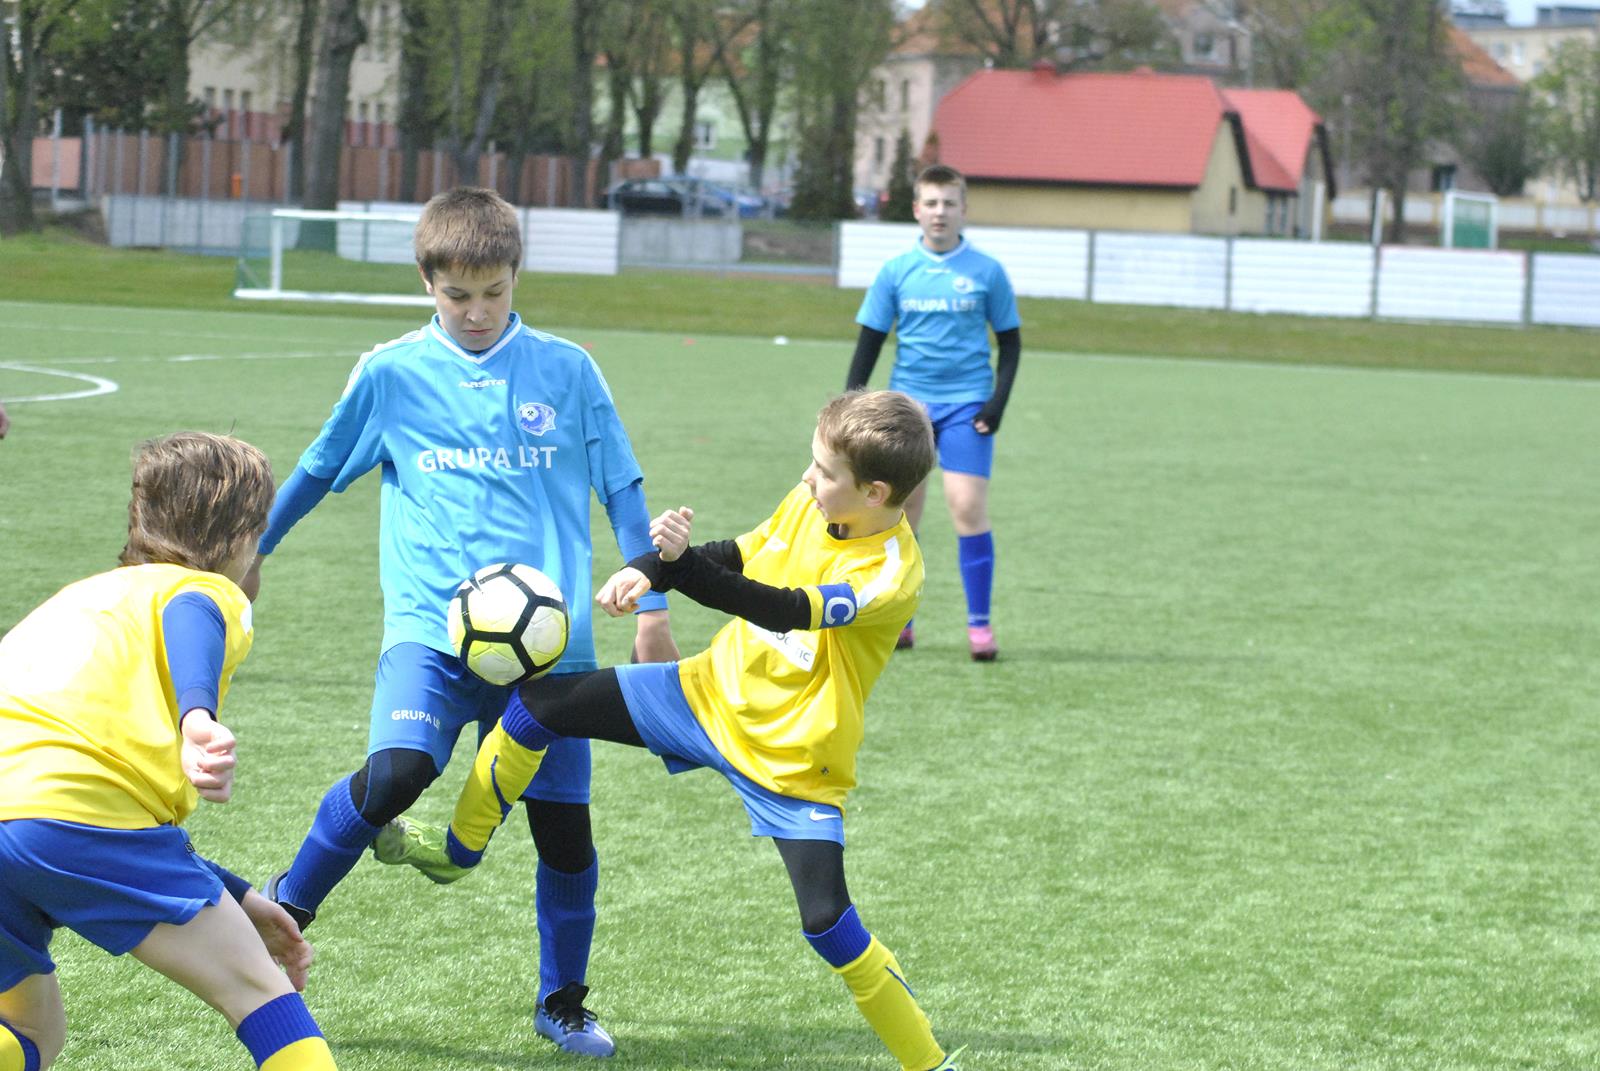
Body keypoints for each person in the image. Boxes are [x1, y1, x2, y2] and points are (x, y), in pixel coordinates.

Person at [377, 390, 966, 1071]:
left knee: (827, 922)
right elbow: (739, 555)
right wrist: (646, 567)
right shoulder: (809, 502)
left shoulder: (892, 573)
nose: (808, 478)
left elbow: (782, 608)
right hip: (702, 692)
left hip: (792, 760)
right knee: (537, 706)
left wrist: (681, 569)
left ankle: (931, 1062)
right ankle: (458, 849)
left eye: (824, 472)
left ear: (876, 491)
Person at [257, 186, 676, 1058]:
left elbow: (624, 488)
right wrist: (249, 553)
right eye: (459, 295)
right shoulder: (390, 374)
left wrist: (653, 598)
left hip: (550, 647)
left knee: (563, 828)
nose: (478, 311)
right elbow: (315, 470)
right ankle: (284, 909)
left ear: (516, 275)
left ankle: (563, 1000)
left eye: (495, 291)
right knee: (399, 771)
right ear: (427, 282)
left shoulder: (567, 371)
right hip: (431, 629)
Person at [0, 431, 335, 1071]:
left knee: (30, 1030)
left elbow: (51, 792)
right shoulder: (200, 591)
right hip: (77, 817)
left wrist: (234, 894)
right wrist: (198, 718)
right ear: (242, 537)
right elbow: (192, 617)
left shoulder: (78, 598)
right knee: (261, 995)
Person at [847, 163, 1021, 662]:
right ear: (917, 210)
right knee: (902, 514)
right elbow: (869, 343)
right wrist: (853, 405)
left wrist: (996, 404)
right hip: (908, 408)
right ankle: (901, 619)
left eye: (949, 203)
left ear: (963, 209)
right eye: (931, 203)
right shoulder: (896, 270)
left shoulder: (986, 271)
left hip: (968, 406)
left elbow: (1010, 344)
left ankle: (979, 626)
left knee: (966, 508)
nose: (940, 212)